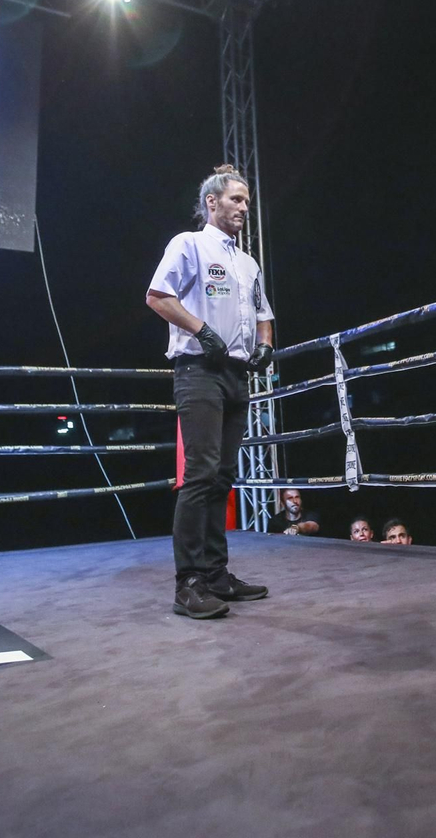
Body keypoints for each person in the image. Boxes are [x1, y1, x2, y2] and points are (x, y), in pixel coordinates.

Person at [147, 164, 275, 619]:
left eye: (247, 201)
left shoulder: (247, 262)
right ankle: (189, 584)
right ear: (212, 202)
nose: (244, 207)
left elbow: (264, 313)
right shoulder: (189, 244)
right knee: (200, 473)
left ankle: (216, 574)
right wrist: (202, 331)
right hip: (198, 370)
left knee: (222, 476)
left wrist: (264, 347)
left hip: (237, 375)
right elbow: (158, 296)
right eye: (236, 199)